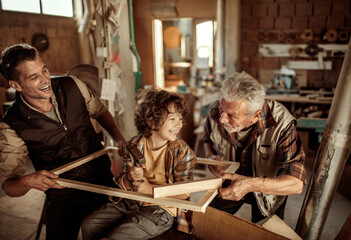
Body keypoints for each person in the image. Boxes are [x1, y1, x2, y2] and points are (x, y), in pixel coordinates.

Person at [0, 43, 127, 240]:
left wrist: (119, 139)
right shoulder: (12, 125)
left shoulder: (73, 85)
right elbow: (9, 186)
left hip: (103, 180)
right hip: (64, 196)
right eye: (33, 77)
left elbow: (100, 111)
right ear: (15, 85)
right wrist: (28, 181)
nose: (45, 80)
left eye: (44, 70)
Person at [81, 89, 196, 240]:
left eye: (180, 118)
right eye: (172, 119)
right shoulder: (134, 145)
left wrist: (150, 189)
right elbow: (123, 183)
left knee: (117, 237)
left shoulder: (183, 152)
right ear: (151, 121)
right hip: (132, 201)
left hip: (162, 209)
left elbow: (184, 191)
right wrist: (130, 176)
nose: (179, 124)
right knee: (89, 225)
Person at [203, 71, 306, 223]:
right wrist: (212, 158)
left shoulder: (282, 123)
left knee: (264, 234)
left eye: (232, 115)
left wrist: (250, 184)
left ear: (255, 117)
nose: (222, 119)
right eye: (222, 109)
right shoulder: (214, 113)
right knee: (206, 222)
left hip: (267, 190)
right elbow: (207, 141)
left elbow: (295, 184)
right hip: (230, 182)